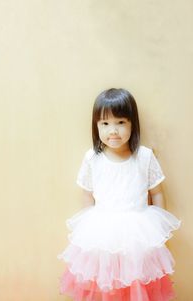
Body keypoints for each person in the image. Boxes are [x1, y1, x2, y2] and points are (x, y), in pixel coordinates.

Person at [57, 88, 181, 301]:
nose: (112, 131)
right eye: (105, 124)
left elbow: (157, 192)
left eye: (120, 122)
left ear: (133, 123)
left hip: (138, 233)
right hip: (103, 232)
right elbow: (87, 194)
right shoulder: (92, 158)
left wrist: (159, 229)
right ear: (96, 126)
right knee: (105, 284)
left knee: (136, 282)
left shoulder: (144, 156)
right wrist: (89, 226)